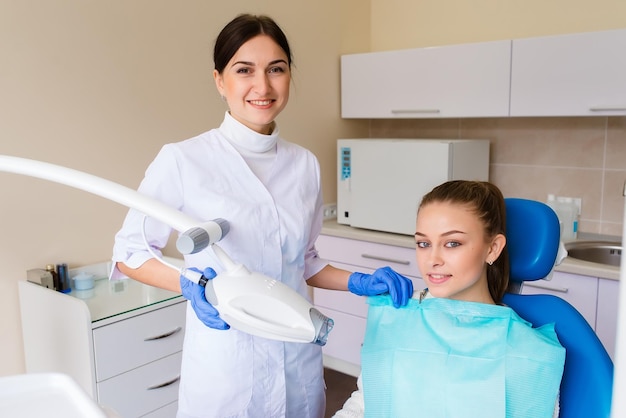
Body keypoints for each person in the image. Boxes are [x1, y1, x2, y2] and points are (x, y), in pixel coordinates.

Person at [110, 13, 413, 418]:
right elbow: (129, 253)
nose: (263, 86)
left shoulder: (304, 165)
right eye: (244, 70)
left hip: (296, 361)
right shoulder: (183, 160)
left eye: (276, 69)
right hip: (226, 368)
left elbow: (304, 262)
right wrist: (190, 284)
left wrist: (359, 281)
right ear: (220, 80)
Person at [333, 180, 566, 418]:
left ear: (493, 248)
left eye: (452, 243)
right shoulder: (399, 317)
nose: (433, 259)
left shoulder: (529, 353)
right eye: (423, 243)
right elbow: (364, 403)